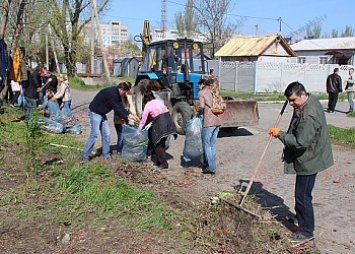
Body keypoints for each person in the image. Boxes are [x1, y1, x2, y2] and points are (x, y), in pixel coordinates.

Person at [269, 82, 334, 243]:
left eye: (293, 100)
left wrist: (280, 134)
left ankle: (306, 231)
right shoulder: (308, 101)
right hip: (312, 154)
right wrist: (295, 107)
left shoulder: (309, 114)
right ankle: (301, 218)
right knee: (302, 195)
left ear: (302, 94)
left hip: (310, 159)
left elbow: (300, 142)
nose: (291, 104)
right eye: (289, 100)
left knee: (303, 196)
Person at [82, 82, 134, 161]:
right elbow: (117, 109)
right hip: (95, 112)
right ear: (122, 90)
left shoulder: (117, 94)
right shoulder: (113, 94)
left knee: (107, 134)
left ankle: (106, 155)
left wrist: (128, 115)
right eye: (125, 93)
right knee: (94, 134)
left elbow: (120, 106)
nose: (125, 95)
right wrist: (127, 117)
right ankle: (85, 155)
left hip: (102, 113)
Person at [138, 90, 177, 169]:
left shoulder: (147, 105)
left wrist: (138, 130)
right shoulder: (158, 101)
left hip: (161, 122)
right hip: (168, 120)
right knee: (161, 142)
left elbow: (143, 120)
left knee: (157, 144)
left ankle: (163, 163)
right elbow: (165, 110)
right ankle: (158, 161)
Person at [198, 77, 221, 174]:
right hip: (217, 120)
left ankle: (211, 167)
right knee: (212, 144)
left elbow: (202, 106)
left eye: (199, 85)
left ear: (202, 84)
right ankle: (212, 165)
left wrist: (198, 111)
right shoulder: (213, 92)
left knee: (206, 144)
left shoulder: (202, 93)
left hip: (208, 122)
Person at [113, 81, 138, 154]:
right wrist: (122, 117)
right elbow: (118, 109)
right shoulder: (118, 96)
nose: (128, 91)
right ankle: (119, 152)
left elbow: (131, 106)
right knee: (121, 137)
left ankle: (126, 150)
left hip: (127, 120)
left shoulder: (129, 96)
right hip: (119, 120)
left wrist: (135, 115)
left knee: (127, 136)